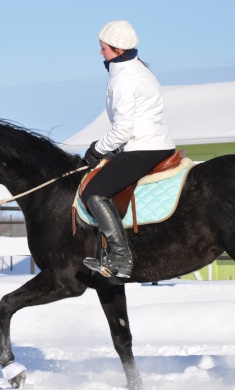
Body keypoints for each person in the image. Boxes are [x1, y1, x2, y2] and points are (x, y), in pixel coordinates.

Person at [82, 20, 176, 278]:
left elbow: (123, 130)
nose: (100, 53)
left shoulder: (123, 79)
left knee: (94, 193)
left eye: (103, 48)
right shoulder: (139, 70)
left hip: (143, 148)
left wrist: (97, 149)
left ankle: (121, 259)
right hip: (155, 144)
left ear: (118, 50)